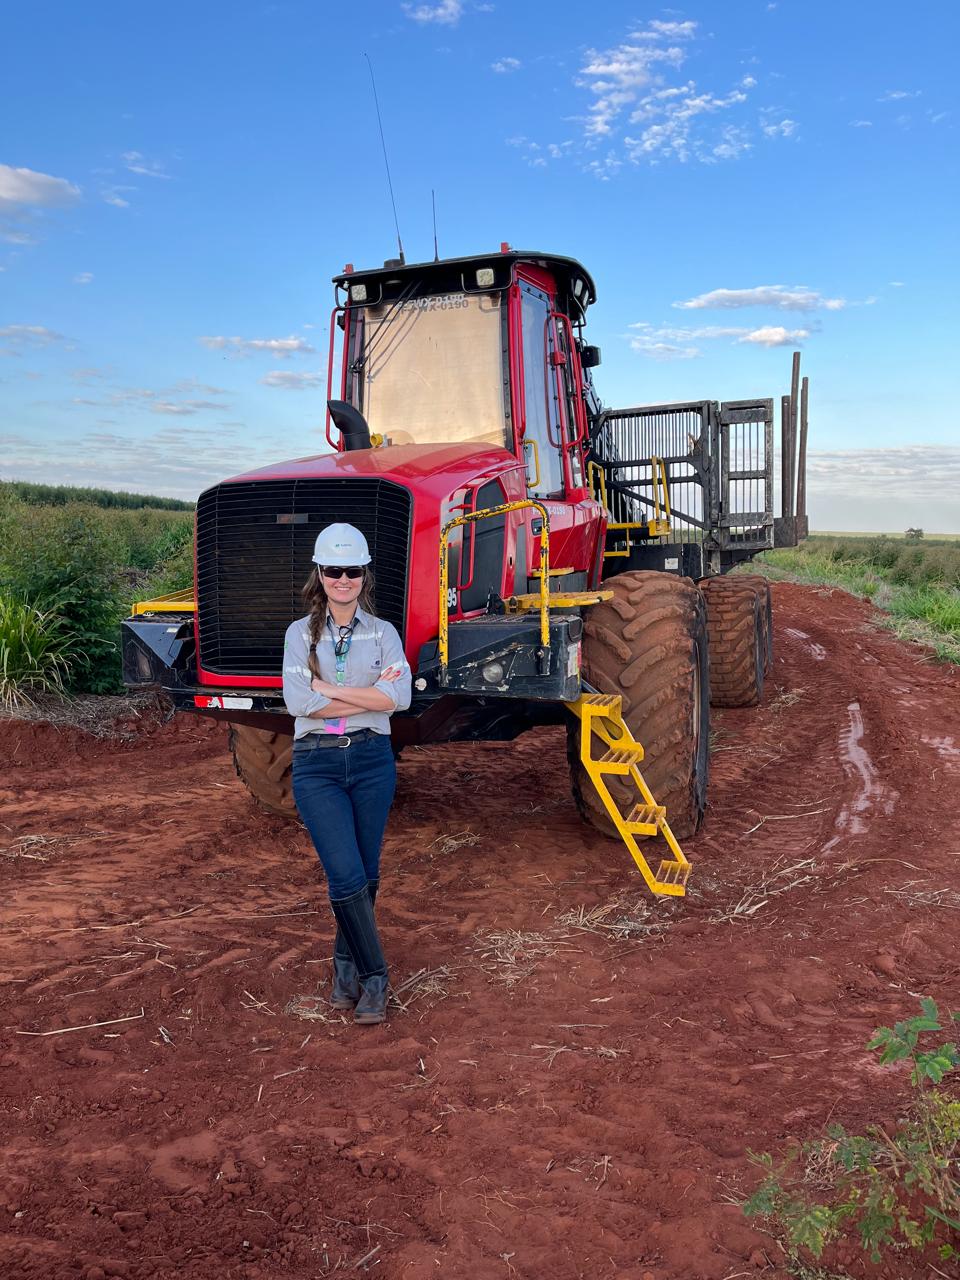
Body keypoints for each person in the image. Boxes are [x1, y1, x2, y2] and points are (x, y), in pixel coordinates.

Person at [281, 523, 411, 1025]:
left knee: (367, 872)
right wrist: (366, 696)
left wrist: (330, 692)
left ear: (363, 575)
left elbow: (398, 699)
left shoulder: (384, 633)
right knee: (344, 873)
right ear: (320, 573)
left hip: (373, 760)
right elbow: (299, 701)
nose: (343, 579)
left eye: (352, 571)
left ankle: (343, 970)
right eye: (333, 570)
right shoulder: (299, 634)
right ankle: (375, 975)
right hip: (318, 766)